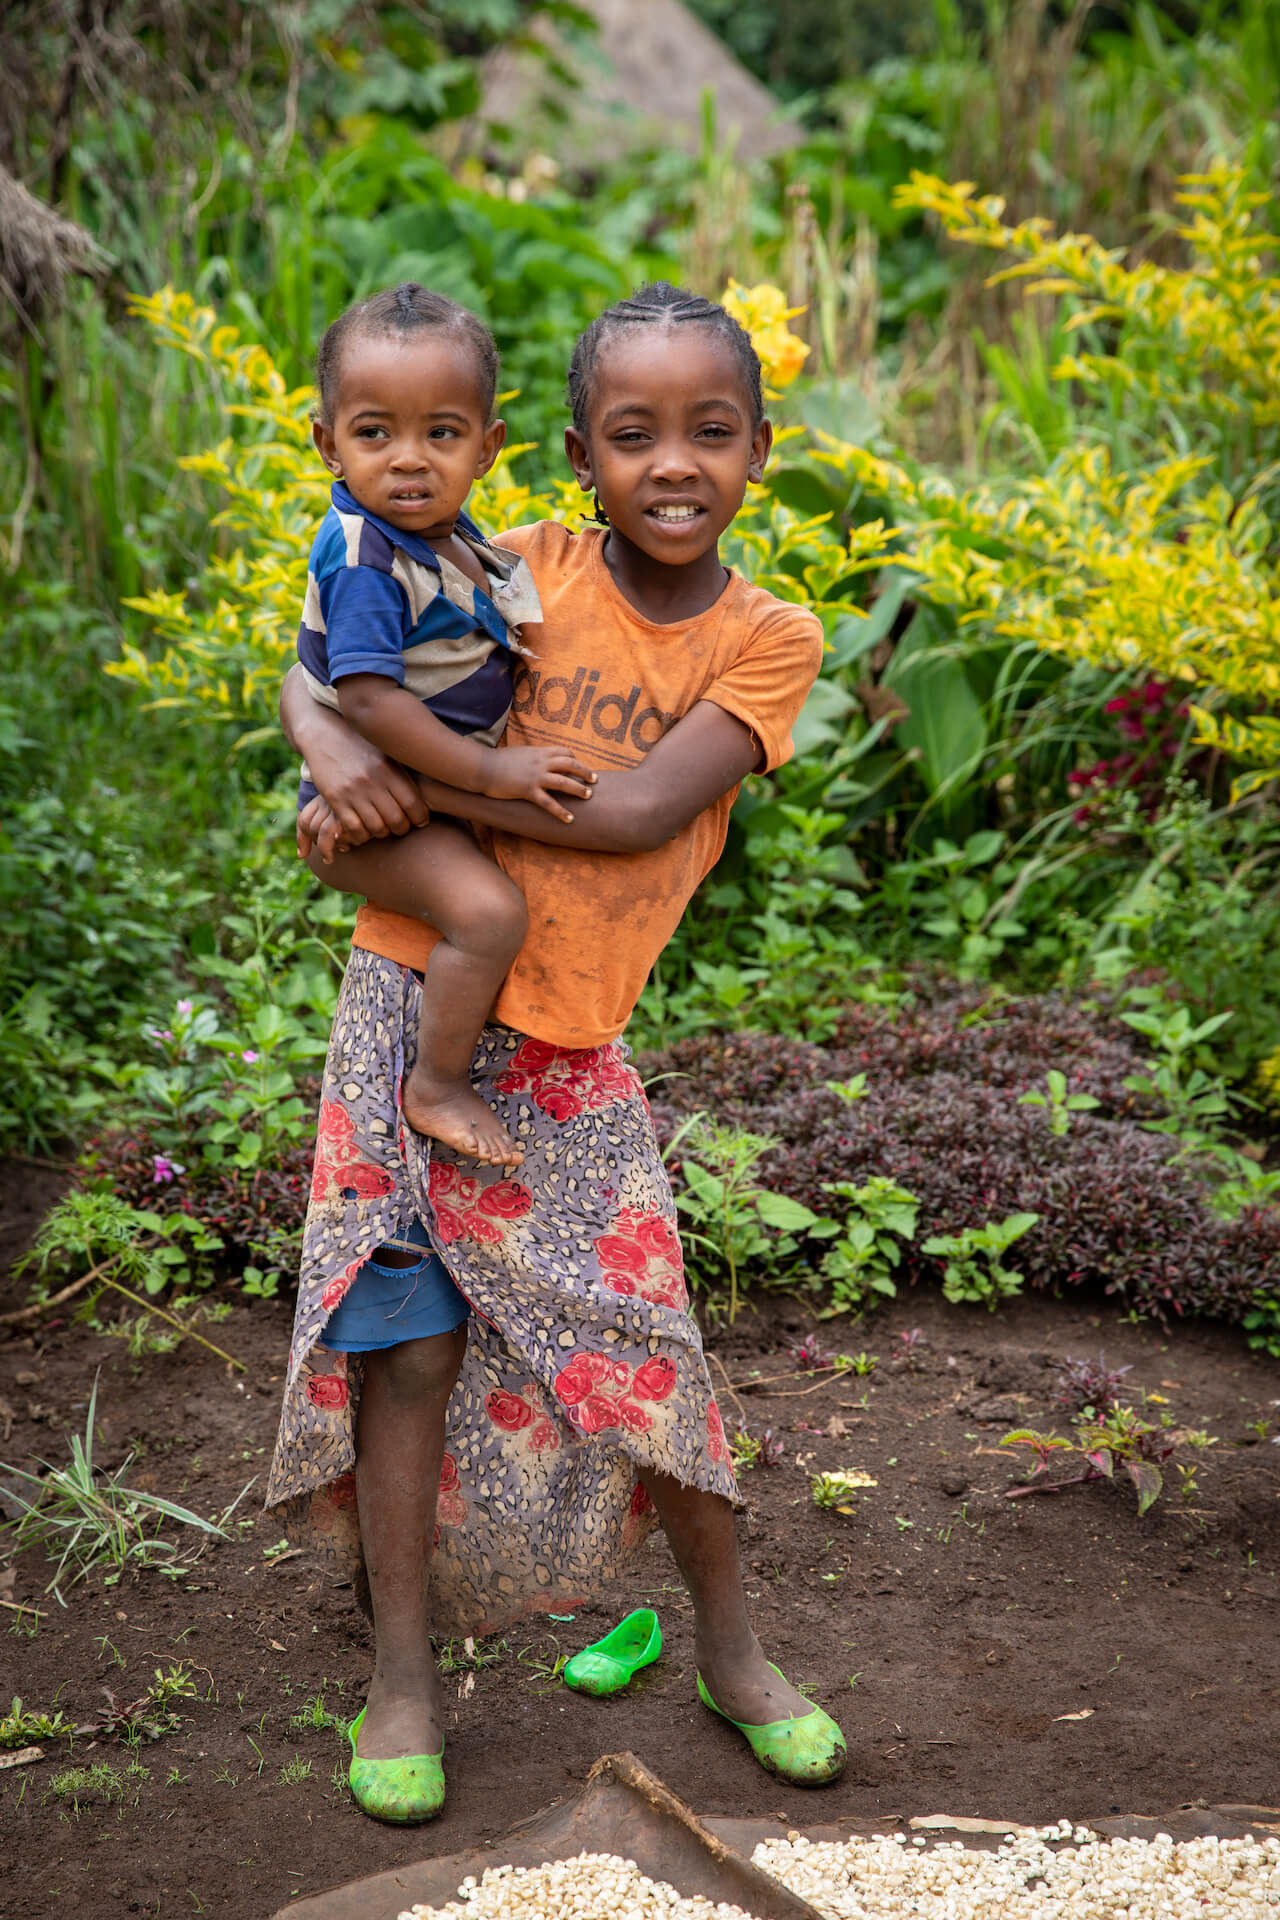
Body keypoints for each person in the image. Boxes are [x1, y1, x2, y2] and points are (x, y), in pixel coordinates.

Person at [266, 282, 845, 1825]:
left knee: (652, 1347)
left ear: (758, 451)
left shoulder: (768, 638)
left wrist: (419, 779)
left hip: (567, 1051)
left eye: (709, 432)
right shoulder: (507, 561)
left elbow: (648, 809)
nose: (674, 464)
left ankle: (733, 1654)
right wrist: (338, 754)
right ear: (579, 460)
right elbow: (321, 658)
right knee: (407, 1344)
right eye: (635, 434)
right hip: (410, 1010)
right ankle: (403, 1677)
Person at [296, 281, 595, 1167]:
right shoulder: (365, 555)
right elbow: (368, 700)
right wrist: (496, 775)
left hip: (415, 790)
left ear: (488, 446)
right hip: (368, 806)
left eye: (442, 433)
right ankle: (436, 1084)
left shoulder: (447, 533)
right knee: (490, 915)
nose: (409, 460)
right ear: (328, 443)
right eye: (374, 432)